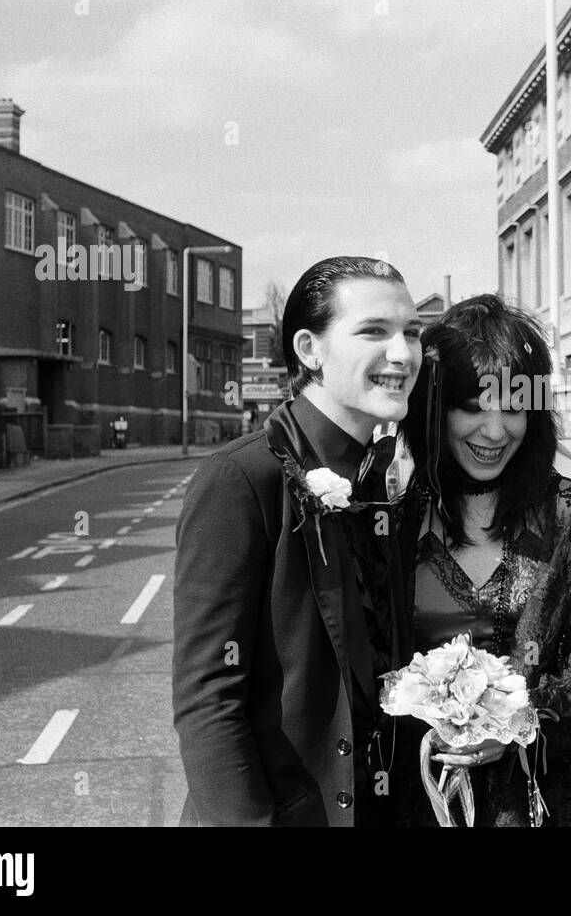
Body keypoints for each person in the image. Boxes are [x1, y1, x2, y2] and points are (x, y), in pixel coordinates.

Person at [173, 256, 422, 826]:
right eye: (374, 331)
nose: (403, 353)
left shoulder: (384, 477)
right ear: (309, 349)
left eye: (412, 332)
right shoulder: (242, 478)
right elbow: (208, 697)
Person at [394, 294, 571, 827]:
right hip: (420, 799)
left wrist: (514, 722)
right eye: (472, 407)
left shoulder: (568, 514)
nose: (495, 432)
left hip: (535, 806)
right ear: (433, 409)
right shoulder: (399, 520)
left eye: (514, 407)